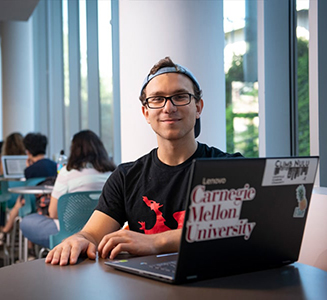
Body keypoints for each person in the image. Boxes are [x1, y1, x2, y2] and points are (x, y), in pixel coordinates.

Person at [46, 56, 242, 266]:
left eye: (180, 96)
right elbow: (92, 234)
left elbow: (236, 228)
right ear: (146, 112)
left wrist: (156, 241)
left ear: (198, 107)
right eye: (157, 99)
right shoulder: (126, 177)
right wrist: (78, 239)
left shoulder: (230, 168)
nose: (169, 107)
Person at [20, 130, 116, 248]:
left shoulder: (67, 173)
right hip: (103, 232)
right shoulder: (112, 174)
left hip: (68, 233)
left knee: (26, 221)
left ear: (74, 150)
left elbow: (53, 213)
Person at [0, 133, 57, 235]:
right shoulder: (54, 165)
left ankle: (6, 230)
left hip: (32, 203)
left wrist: (28, 167)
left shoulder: (30, 170)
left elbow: (29, 186)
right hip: (51, 203)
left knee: (20, 201)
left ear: (28, 151)